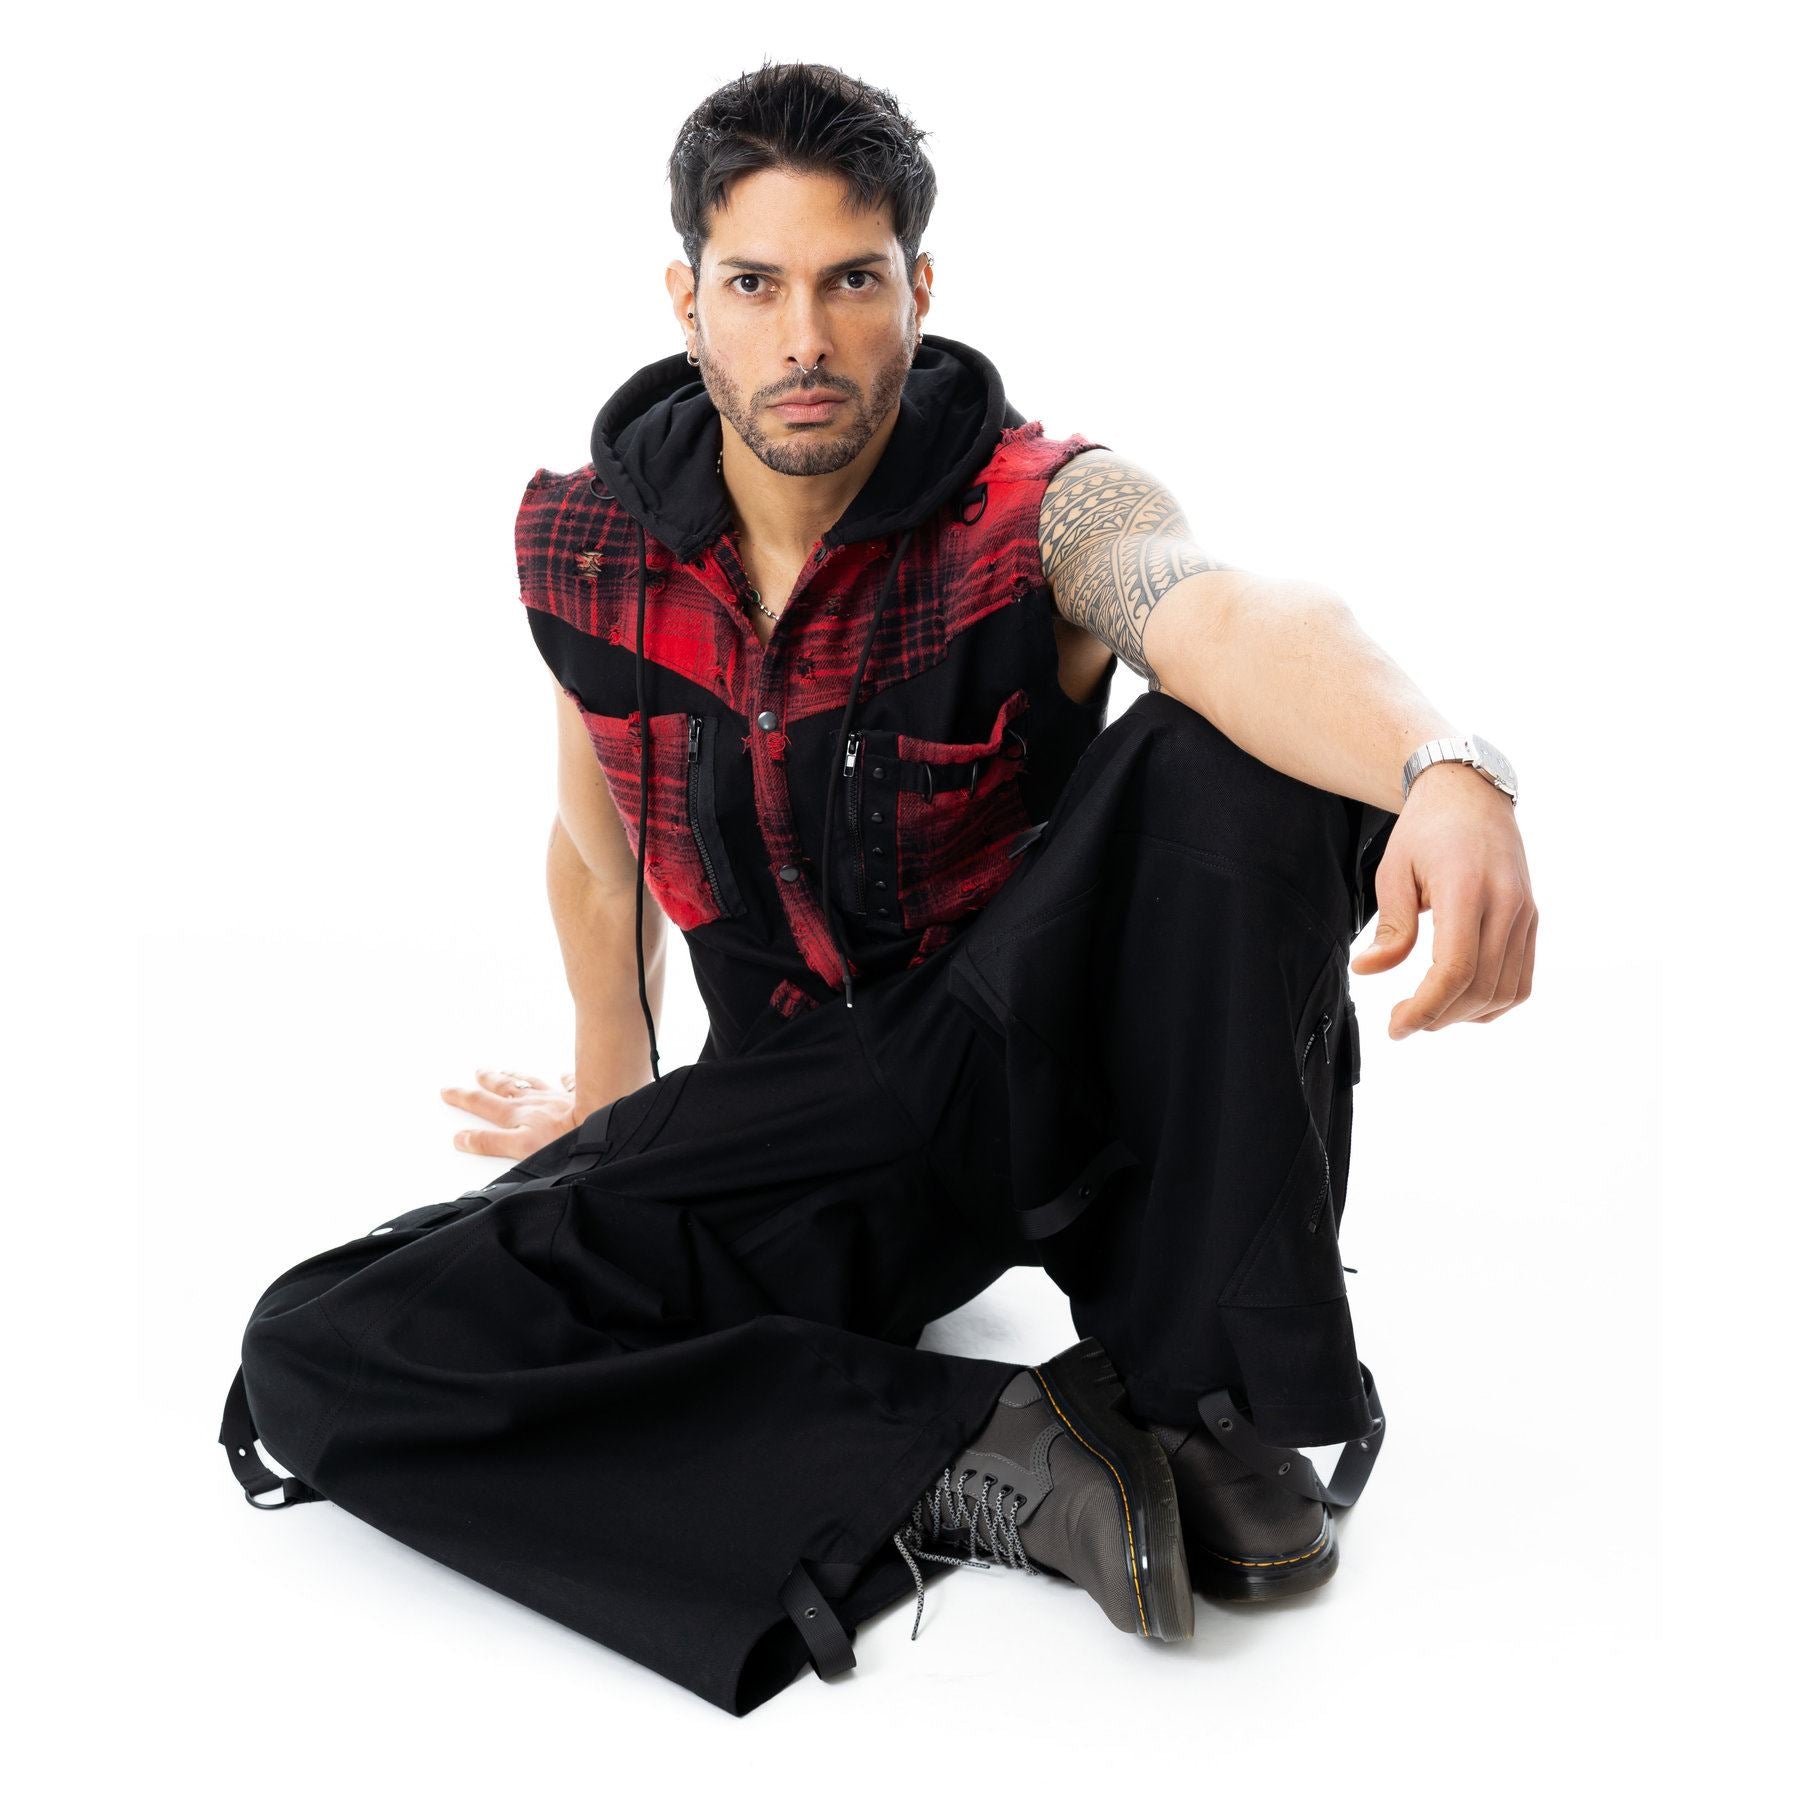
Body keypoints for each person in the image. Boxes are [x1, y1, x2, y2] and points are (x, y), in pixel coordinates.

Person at [221, 60, 1537, 1717]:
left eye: (851, 282)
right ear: (687, 298)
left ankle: (1202, 1404)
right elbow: (598, 854)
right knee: (321, 1352)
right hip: (799, 1127)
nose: (806, 339)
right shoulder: (588, 548)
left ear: (919, 286)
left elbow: (1226, 612)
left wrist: (1444, 763)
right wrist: (618, 1132)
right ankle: (987, 1452)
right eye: (756, 286)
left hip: (1030, 1070)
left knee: (1235, 752)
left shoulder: (1047, 507)